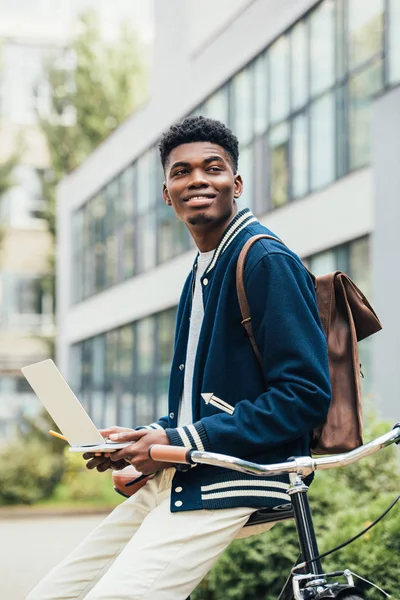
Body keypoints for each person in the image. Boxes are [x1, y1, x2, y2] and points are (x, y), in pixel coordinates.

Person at [27, 116, 331, 600]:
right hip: (188, 471)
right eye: (181, 171)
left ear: (236, 183)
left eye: (212, 168)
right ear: (167, 193)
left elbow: (305, 397)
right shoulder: (201, 271)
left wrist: (177, 439)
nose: (197, 180)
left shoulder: (264, 260)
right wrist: (145, 440)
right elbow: (210, 405)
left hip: (234, 480)